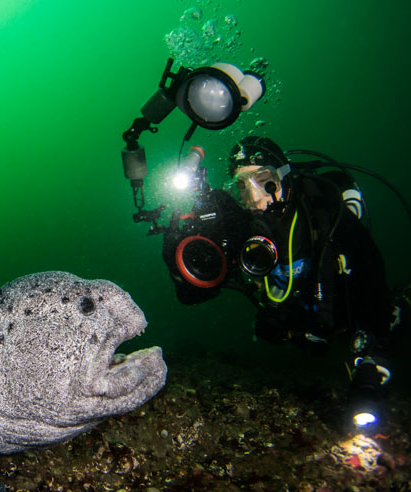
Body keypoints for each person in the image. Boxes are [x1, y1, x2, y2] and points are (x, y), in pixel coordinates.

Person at [162, 136, 402, 430]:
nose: (254, 199)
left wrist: (372, 361)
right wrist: (181, 262)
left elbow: (371, 284)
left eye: (264, 181)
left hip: (337, 319)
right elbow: (193, 295)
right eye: (241, 186)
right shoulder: (241, 226)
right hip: (292, 327)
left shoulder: (325, 217)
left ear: (284, 178)